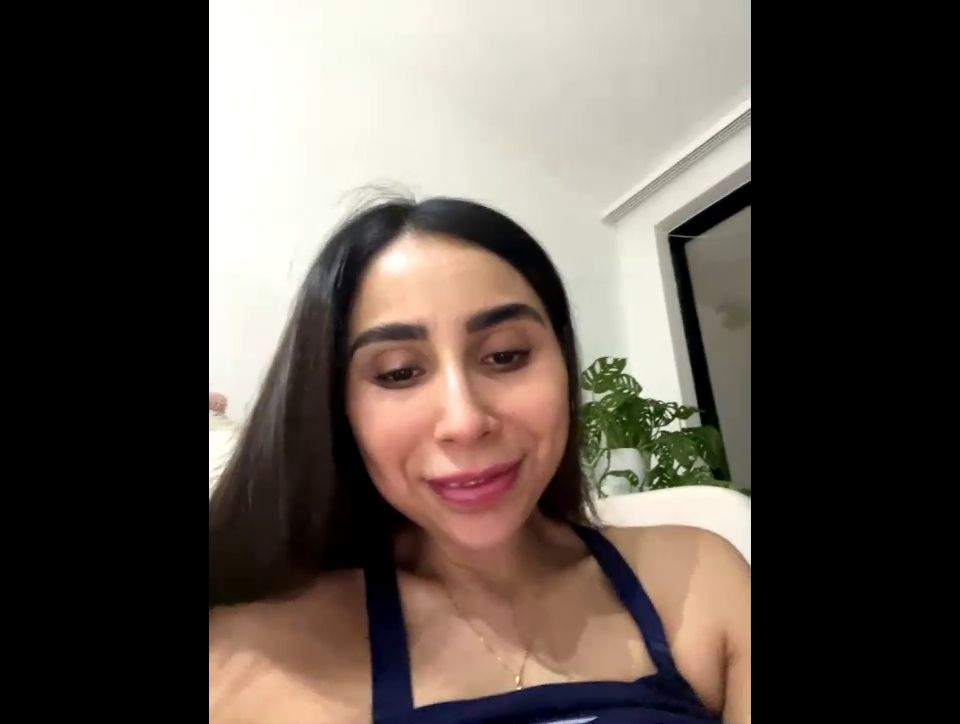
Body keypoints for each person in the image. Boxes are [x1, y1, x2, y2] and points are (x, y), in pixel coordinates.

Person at [208, 195, 751, 724]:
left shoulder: (697, 579)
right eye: (399, 372)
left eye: (506, 356)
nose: (465, 421)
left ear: (563, 363)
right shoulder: (259, 653)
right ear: (336, 406)